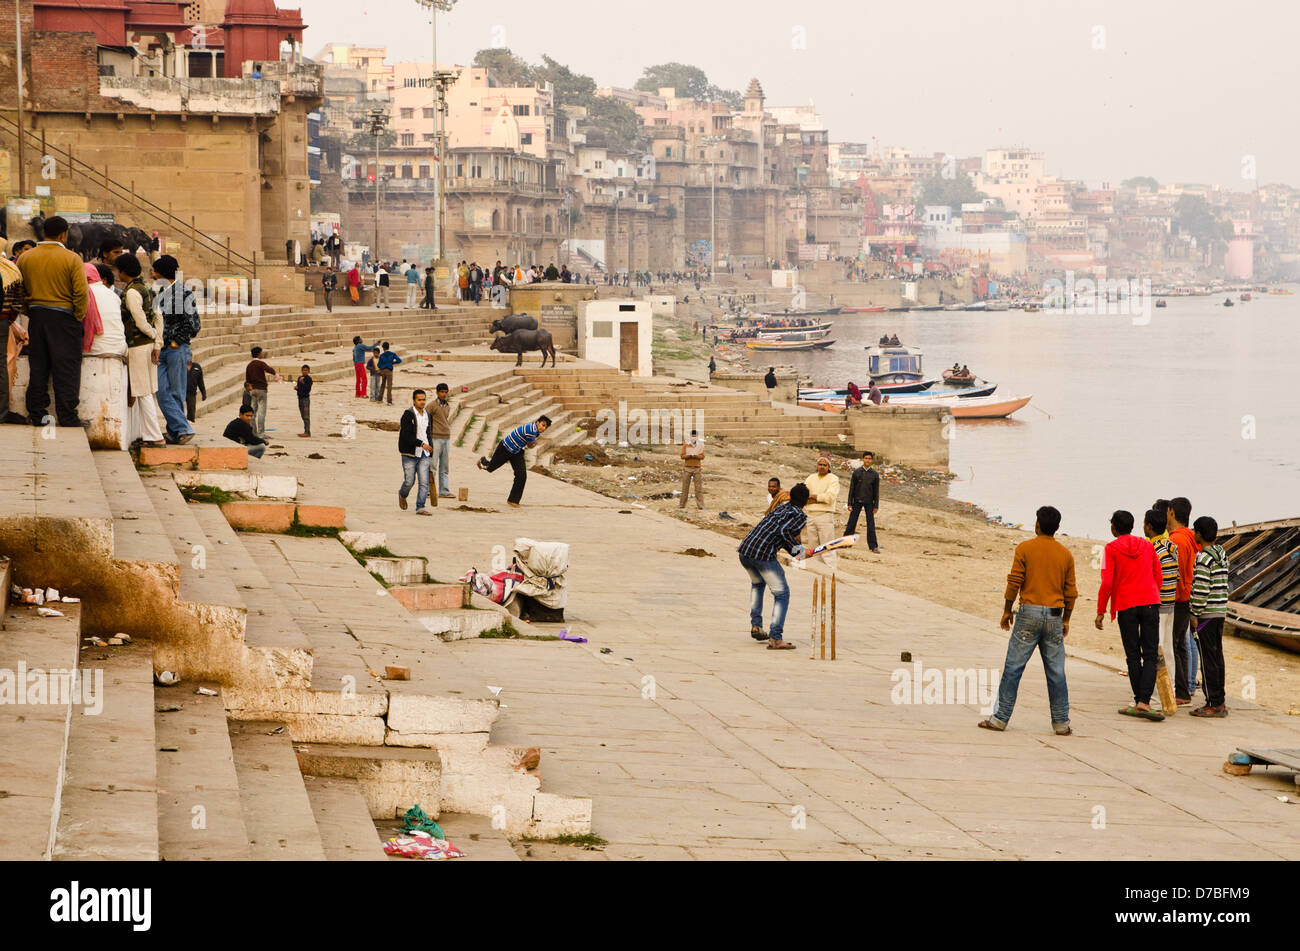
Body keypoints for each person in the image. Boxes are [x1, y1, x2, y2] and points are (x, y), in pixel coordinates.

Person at [979, 505, 1077, 735]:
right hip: (1054, 615)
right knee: (1056, 671)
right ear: (1057, 527)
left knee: (1013, 667)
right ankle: (1061, 723)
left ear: (1037, 525)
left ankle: (999, 719)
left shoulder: (1025, 548)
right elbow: (1070, 592)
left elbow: (1015, 581)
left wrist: (1006, 610)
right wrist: (1067, 620)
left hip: (1028, 614)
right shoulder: (1065, 554)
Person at [17, 215, 89, 428]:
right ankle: (67, 416)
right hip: (64, 319)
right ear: (63, 234)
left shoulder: (26, 258)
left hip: (37, 317)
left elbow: (19, 290)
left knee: (38, 366)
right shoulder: (72, 258)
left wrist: (29, 310)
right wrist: (77, 316)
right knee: (66, 368)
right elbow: (80, 294)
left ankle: (37, 414)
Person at [1094, 510, 1164, 721]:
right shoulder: (1147, 545)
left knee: (1133, 654)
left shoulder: (1111, 548)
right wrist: (1152, 593)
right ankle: (1145, 701)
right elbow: (1157, 575)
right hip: (1150, 602)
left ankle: (1139, 702)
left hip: (1127, 605)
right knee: (1150, 654)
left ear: (1114, 527)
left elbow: (1107, 582)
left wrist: (1100, 611)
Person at [737, 483, 810, 649]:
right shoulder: (799, 515)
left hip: (746, 551)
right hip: (762, 555)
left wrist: (796, 552)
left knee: (758, 584)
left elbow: (779, 533)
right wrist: (798, 551)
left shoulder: (781, 508)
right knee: (782, 594)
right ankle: (775, 637)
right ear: (806, 501)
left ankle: (756, 625)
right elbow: (784, 532)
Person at [114, 253, 163, 446]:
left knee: (143, 392)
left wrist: (152, 337)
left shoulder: (133, 292)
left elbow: (140, 320)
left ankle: (154, 436)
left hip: (139, 345)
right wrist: (157, 342)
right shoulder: (148, 288)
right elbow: (158, 317)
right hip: (148, 345)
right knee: (146, 391)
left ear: (124, 271)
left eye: (119, 271)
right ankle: (149, 434)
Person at [151, 254, 199, 444]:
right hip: (160, 349)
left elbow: (193, 324)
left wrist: (175, 342)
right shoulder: (158, 293)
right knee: (161, 391)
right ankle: (181, 428)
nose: (153, 275)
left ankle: (178, 431)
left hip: (175, 349)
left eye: (155, 271)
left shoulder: (183, 294)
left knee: (177, 392)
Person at [1189, 516, 1230, 718]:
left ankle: (1213, 703)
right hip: (1220, 611)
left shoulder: (1203, 557)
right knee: (1217, 657)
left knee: (1207, 660)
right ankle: (1220, 700)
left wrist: (1194, 613)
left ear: (1198, 534)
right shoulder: (1221, 553)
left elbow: (1201, 589)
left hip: (1206, 614)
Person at [1144, 506, 1180, 714]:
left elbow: (1151, 577)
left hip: (1157, 605)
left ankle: (1157, 698)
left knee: (1156, 651)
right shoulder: (1171, 546)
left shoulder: (1151, 549)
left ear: (1149, 527)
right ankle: (1171, 692)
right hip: (1171, 603)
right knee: (1168, 650)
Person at [1166, 497, 1200, 707]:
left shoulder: (1177, 540)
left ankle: (1181, 690)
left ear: (1171, 512)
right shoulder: (1188, 538)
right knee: (1180, 644)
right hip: (1186, 596)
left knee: (1175, 644)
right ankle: (1184, 689)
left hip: (1178, 598)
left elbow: (1175, 573)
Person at [477, 415, 551, 508]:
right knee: (490, 468)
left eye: (545, 427)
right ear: (537, 422)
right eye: (542, 425)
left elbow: (530, 444)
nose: (543, 428)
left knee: (521, 475)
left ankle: (513, 500)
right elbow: (530, 446)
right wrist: (534, 443)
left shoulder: (535, 430)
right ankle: (482, 461)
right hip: (505, 448)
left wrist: (534, 442)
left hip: (516, 451)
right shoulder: (531, 431)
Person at [0, 239, 30, 423]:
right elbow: (19, 303)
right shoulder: (12, 271)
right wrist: (8, 318)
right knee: (1, 366)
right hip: (2, 322)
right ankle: (1, 412)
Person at [802, 454, 841, 572]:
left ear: (828, 466)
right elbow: (803, 496)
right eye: (820, 464)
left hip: (825, 515)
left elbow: (830, 497)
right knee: (813, 546)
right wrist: (817, 498)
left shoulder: (833, 479)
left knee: (827, 545)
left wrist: (813, 497)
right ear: (817, 465)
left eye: (825, 465)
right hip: (810, 515)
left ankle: (831, 570)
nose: (822, 467)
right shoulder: (810, 478)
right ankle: (816, 570)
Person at [398, 389, 435, 515]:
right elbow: (405, 435)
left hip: (425, 454)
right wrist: (421, 444)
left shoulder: (428, 415)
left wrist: (430, 448)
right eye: (419, 400)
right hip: (409, 453)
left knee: (424, 482)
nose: (422, 402)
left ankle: (420, 506)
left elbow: (429, 433)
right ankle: (402, 495)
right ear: (414, 401)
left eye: (424, 399)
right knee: (409, 481)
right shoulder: (407, 415)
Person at [845, 451, 880, 552]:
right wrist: (849, 503)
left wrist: (876, 505)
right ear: (863, 459)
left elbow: (876, 491)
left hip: (869, 502)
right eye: (866, 458)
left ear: (872, 460)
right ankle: (846, 543)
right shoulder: (857, 472)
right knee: (851, 522)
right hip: (857, 501)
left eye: (869, 458)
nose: (868, 460)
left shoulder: (875, 474)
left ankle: (873, 546)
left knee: (871, 524)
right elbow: (851, 489)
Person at [243, 347, 278, 439]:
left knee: (253, 412)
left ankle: (254, 433)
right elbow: (269, 369)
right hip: (261, 389)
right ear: (258, 354)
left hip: (253, 390)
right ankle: (261, 433)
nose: (262, 354)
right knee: (261, 412)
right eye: (261, 353)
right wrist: (276, 374)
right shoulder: (260, 363)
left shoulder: (249, 365)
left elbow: (247, 380)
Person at [429, 382, 454, 499]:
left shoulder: (448, 406)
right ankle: (429, 491)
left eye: (445, 392)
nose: (444, 394)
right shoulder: (432, 406)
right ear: (437, 393)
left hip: (446, 438)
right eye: (441, 392)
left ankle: (444, 491)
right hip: (435, 438)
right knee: (432, 466)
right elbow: (425, 420)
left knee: (444, 466)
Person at [679, 429, 705, 511]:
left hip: (697, 469)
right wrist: (689, 455)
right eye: (692, 437)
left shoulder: (700, 446)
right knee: (685, 488)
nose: (693, 438)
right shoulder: (686, 445)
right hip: (687, 468)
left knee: (698, 488)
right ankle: (682, 505)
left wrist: (696, 455)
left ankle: (701, 506)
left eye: (695, 437)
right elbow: (682, 456)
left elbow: (702, 456)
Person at [296, 364, 313, 438]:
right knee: (302, 415)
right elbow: (299, 388)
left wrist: (303, 382)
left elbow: (308, 389)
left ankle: (307, 432)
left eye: (306, 370)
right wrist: (297, 388)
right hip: (300, 398)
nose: (304, 371)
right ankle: (305, 430)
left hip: (305, 399)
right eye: (303, 370)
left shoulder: (309, 379)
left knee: (306, 416)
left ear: (308, 371)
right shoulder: (299, 378)